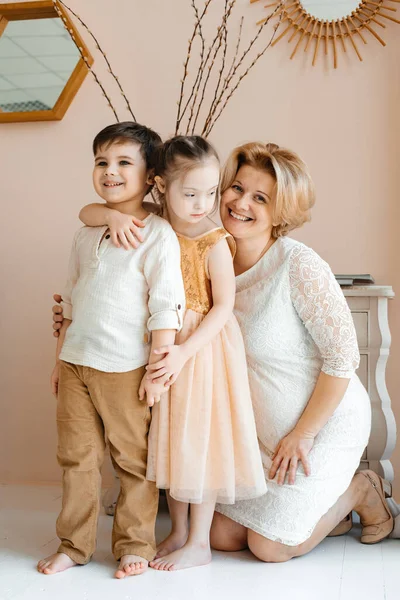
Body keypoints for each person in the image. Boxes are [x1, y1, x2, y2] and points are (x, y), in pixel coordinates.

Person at [52, 140, 394, 565]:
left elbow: (344, 360)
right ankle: (324, 513)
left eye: (260, 197)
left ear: (281, 210)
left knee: (267, 547)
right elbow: (112, 237)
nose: (239, 203)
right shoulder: (175, 240)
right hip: (251, 436)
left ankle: (359, 489)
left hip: (315, 430)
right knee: (224, 536)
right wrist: (79, 310)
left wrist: (302, 434)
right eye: (236, 188)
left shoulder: (297, 264)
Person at [75, 135, 267, 571]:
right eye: (190, 193)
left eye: (211, 192)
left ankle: (199, 542)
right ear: (161, 186)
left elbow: (223, 305)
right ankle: (177, 530)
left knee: (200, 439)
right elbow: (85, 214)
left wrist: (184, 353)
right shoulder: (152, 223)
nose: (203, 203)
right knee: (169, 436)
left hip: (201, 349)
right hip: (158, 341)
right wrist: (109, 213)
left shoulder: (213, 239)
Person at [38, 122, 185, 578]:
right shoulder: (86, 232)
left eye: (124, 162)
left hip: (126, 368)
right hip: (77, 363)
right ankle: (73, 544)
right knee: (76, 458)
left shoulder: (158, 234)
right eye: (102, 161)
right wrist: (60, 357)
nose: (110, 171)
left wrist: (158, 370)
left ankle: (134, 544)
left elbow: (165, 306)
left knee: (133, 463)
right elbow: (72, 298)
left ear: (150, 177)